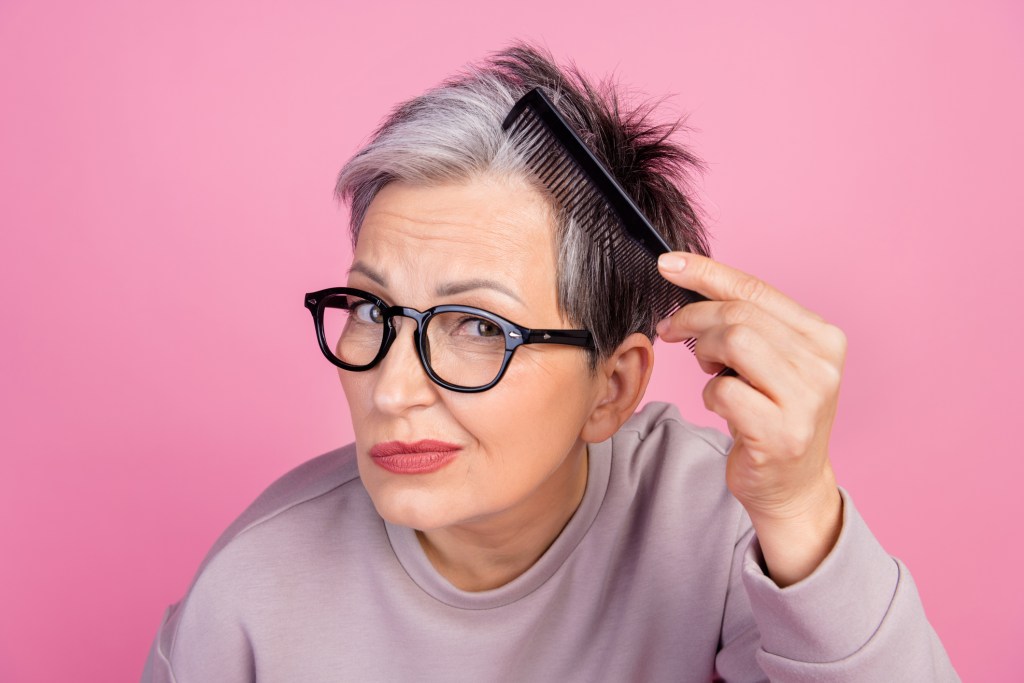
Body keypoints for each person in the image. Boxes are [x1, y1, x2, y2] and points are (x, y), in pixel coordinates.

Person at [142, 44, 958, 681]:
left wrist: (802, 508)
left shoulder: (719, 521)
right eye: (370, 311)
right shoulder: (249, 595)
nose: (390, 389)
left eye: (475, 325)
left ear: (612, 388)